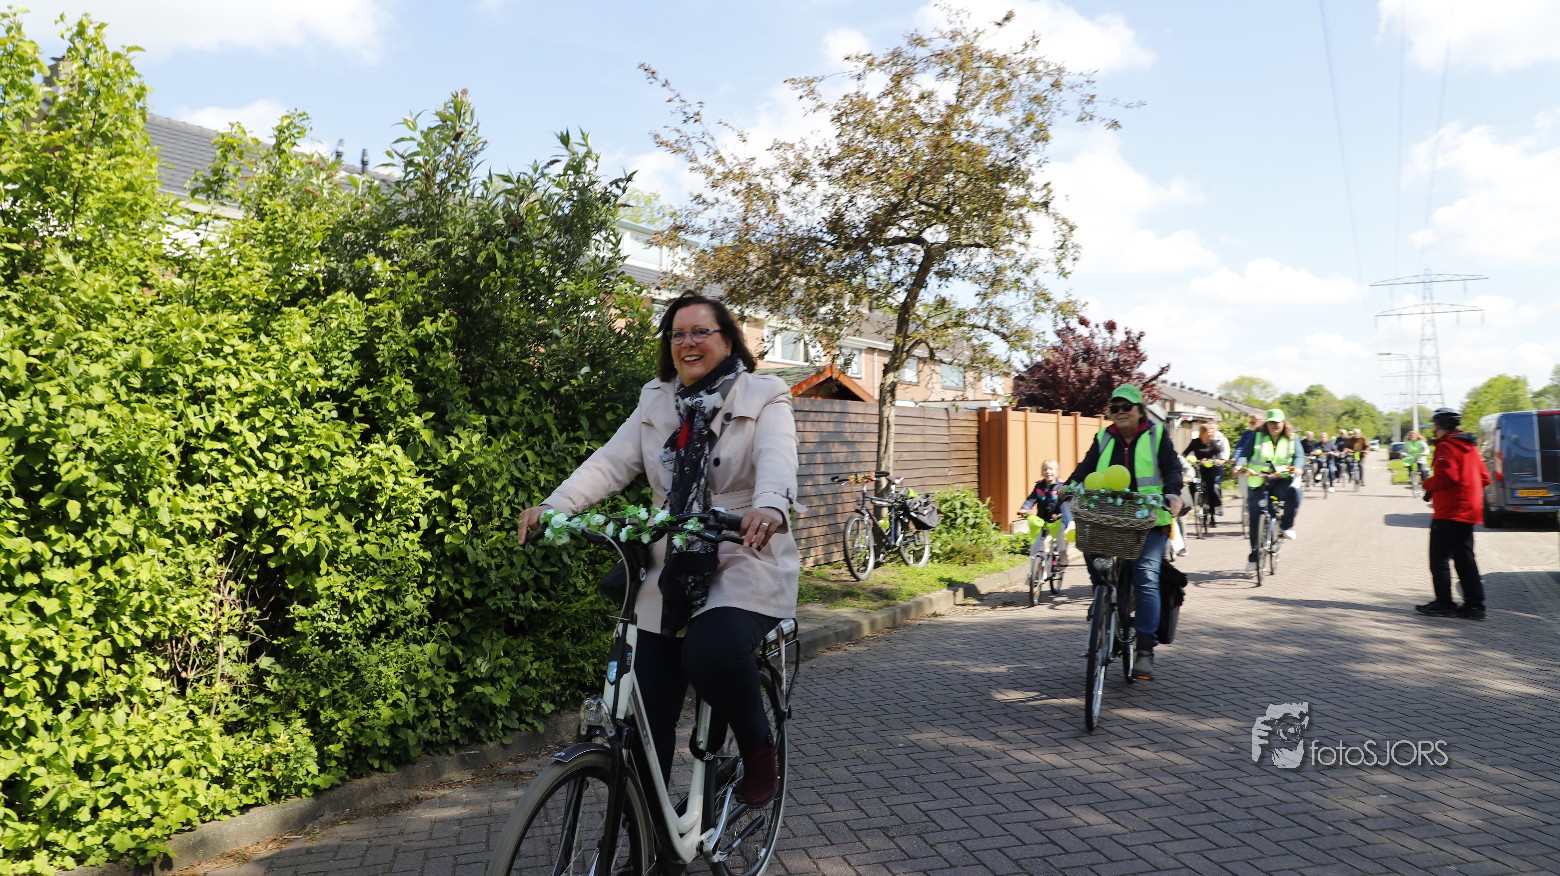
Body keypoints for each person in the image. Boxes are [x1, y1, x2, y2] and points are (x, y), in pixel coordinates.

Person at [516, 292, 801, 806]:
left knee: (712, 651)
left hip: (741, 550)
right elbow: (611, 462)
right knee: (643, 714)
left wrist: (770, 505)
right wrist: (555, 506)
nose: (688, 342)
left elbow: (777, 455)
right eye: (677, 334)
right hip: (670, 562)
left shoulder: (763, 395)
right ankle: (651, 839)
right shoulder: (657, 401)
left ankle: (759, 749)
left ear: (728, 340)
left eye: (701, 332)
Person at [1065, 385, 1184, 681]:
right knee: (1091, 550)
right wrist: (1067, 486)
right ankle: (1102, 598)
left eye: (1126, 407)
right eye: (1114, 407)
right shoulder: (1104, 437)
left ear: (1140, 410)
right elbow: (1085, 468)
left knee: (1146, 574)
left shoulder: (1156, 435)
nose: (1119, 412)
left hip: (1150, 518)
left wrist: (1173, 493)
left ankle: (1144, 648)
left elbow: (1172, 469)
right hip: (1109, 515)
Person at [1415, 408, 1491, 621]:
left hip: (1449, 512)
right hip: (1468, 511)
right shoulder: (1470, 446)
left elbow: (1448, 476)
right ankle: (1474, 606)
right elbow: (1485, 477)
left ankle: (1444, 604)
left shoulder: (1446, 446)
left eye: (1435, 426)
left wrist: (1427, 484)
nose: (1434, 430)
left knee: (1438, 560)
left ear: (1440, 426)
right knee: (1465, 559)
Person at [1237, 408, 1305, 571]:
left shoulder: (1292, 438)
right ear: (1267, 424)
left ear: (1283, 423)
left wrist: (1298, 467)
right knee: (1255, 518)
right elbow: (1244, 453)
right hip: (1258, 480)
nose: (1274, 425)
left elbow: (1299, 457)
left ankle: (1286, 526)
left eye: (1277, 422)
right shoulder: (1257, 436)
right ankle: (1254, 557)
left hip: (1281, 479)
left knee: (1294, 492)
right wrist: (1239, 465)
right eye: (1271, 422)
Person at [1018, 459, 1072, 565]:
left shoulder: (1061, 487)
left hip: (1057, 520)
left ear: (1057, 472)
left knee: (1060, 530)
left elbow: (1065, 503)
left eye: (1051, 469)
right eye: (1045, 469)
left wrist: (1062, 515)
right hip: (1042, 520)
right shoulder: (1039, 486)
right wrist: (1025, 508)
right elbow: (1031, 499)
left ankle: (1062, 554)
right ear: (1042, 472)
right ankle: (1032, 569)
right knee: (1035, 542)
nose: (1048, 472)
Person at [1182, 422, 1230, 524]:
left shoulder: (1213, 443)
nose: (1210, 434)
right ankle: (1195, 503)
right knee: (1193, 484)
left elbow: (1218, 453)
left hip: (1210, 468)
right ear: (1202, 433)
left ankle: (1212, 515)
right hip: (1198, 468)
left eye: (1211, 432)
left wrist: (1217, 460)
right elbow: (1185, 453)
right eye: (1208, 432)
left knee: (1211, 489)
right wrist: (1185, 460)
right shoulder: (1195, 442)